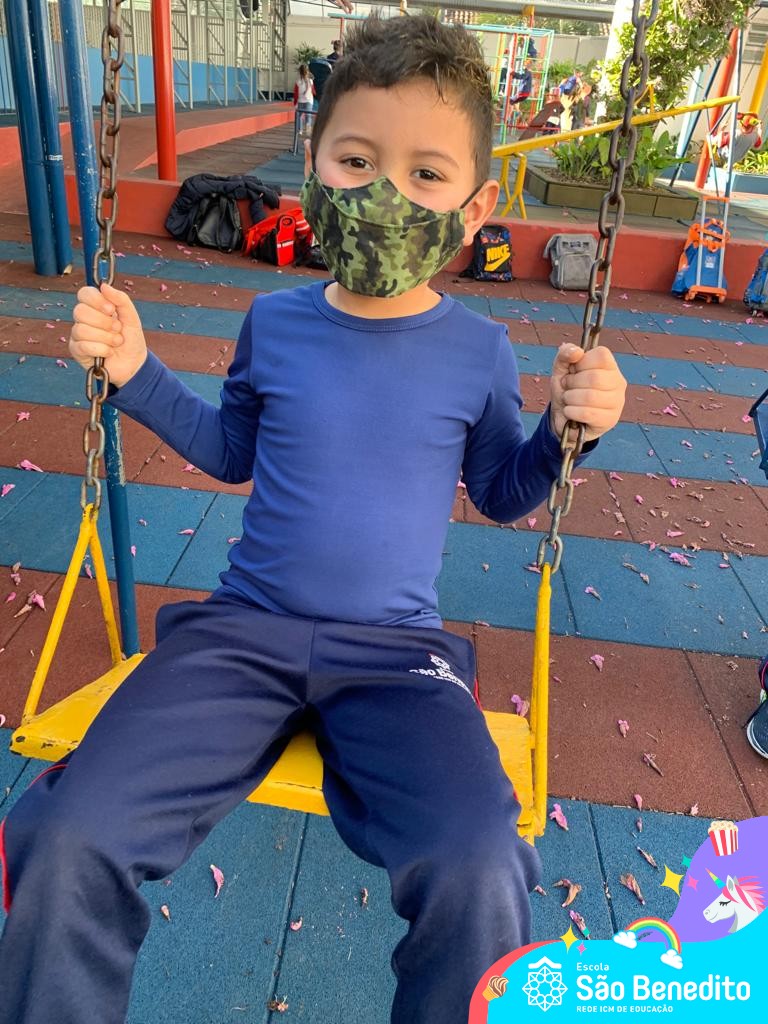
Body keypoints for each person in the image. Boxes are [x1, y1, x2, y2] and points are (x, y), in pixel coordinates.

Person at [0, 14, 627, 1024]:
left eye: (426, 174)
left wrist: (566, 429)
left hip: (396, 657)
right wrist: (134, 370)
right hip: (242, 633)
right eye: (357, 160)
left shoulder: (478, 350)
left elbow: (502, 491)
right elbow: (231, 450)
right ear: (314, 162)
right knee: (71, 833)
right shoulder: (277, 321)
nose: (385, 193)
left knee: (480, 863)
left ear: (477, 205)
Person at [293, 62, 316, 135]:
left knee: (299, 116)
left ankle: (300, 130)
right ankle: (308, 131)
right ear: (307, 71)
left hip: (301, 100)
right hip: (309, 100)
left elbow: (296, 93)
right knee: (308, 116)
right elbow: (313, 91)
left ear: (300, 72)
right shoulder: (310, 81)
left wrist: (295, 103)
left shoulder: (298, 82)